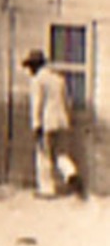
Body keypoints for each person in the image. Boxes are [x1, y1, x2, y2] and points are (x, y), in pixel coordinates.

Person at [23, 49, 81, 197]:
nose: (29, 70)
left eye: (30, 66)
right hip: (62, 121)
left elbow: (37, 104)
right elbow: (68, 102)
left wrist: (36, 124)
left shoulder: (38, 81)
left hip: (47, 122)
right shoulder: (58, 79)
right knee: (61, 153)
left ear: (35, 66)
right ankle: (71, 173)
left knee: (43, 155)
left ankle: (46, 189)